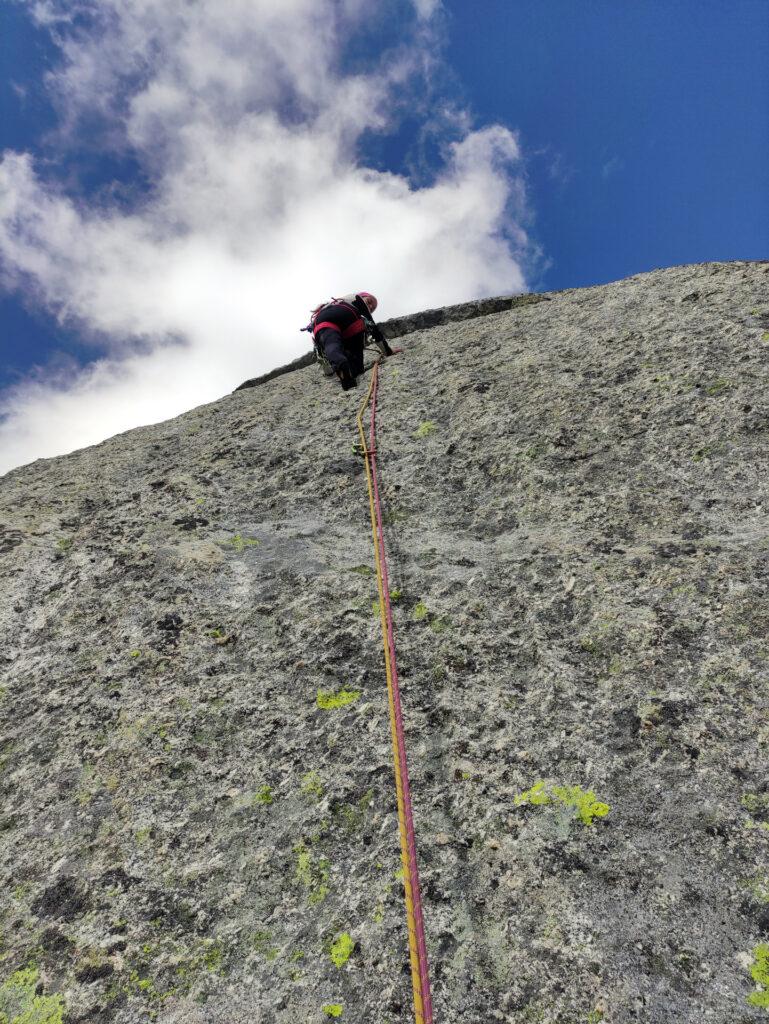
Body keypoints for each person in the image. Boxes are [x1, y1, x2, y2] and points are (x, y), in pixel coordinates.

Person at [309, 292, 392, 390]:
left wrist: (328, 373)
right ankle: (353, 369)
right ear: (361, 296)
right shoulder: (355, 299)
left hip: (320, 322)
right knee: (357, 361)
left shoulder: (331, 304)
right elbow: (374, 329)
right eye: (369, 301)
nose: (370, 306)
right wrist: (388, 351)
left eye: (372, 308)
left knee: (331, 343)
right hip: (347, 316)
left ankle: (340, 364)